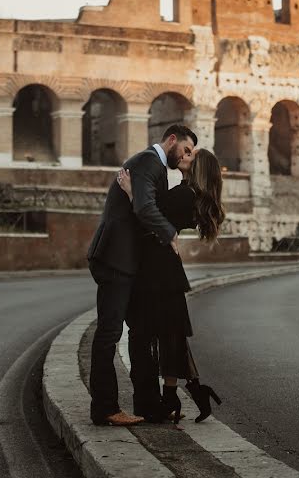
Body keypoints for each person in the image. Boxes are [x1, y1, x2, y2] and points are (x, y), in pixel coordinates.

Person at [86, 124, 196, 426]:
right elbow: (146, 207)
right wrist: (170, 234)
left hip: (129, 262)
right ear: (172, 140)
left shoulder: (153, 166)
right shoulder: (148, 161)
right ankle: (105, 408)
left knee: (142, 333)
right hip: (115, 259)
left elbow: (144, 204)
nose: (186, 156)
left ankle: (149, 406)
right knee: (110, 334)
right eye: (186, 149)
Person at [117, 148, 226, 424]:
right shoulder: (193, 196)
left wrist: (131, 193)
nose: (186, 155)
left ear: (198, 166)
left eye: (192, 154)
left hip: (157, 268)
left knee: (154, 332)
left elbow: (148, 213)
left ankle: (174, 395)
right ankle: (179, 393)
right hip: (167, 267)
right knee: (170, 332)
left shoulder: (184, 194)